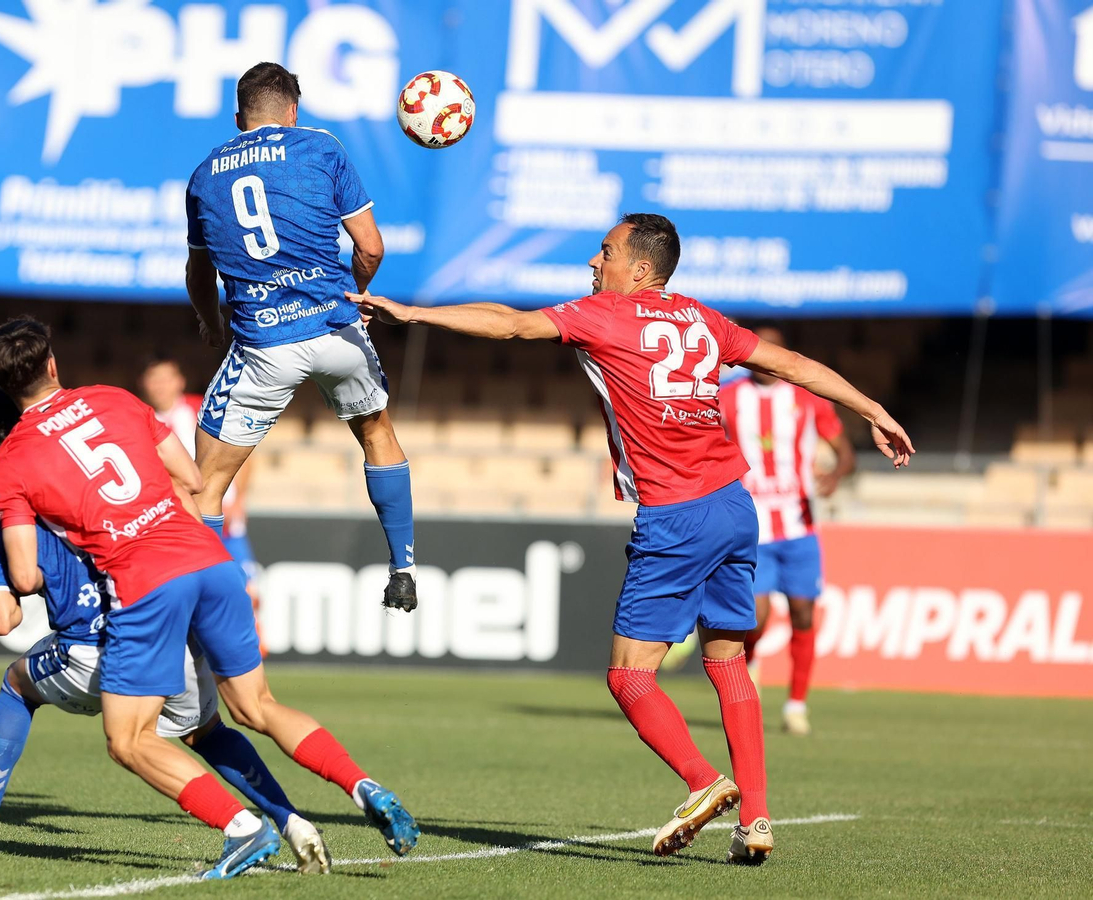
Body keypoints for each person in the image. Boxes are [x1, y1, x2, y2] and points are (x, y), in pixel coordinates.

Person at [355, 213, 912, 866]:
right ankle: (756, 819)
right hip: (735, 505)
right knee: (728, 659)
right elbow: (788, 363)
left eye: (607, 252)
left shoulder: (604, 315)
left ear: (640, 270)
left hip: (676, 515)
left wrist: (413, 314)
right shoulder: (704, 320)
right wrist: (873, 410)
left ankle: (704, 781)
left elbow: (509, 322)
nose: (595, 263)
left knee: (629, 678)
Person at [0, 316, 418, 880]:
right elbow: (190, 477)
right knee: (257, 706)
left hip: (146, 583)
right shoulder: (114, 400)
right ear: (51, 365)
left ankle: (242, 827)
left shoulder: (13, 461)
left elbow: (21, 574)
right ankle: (363, 785)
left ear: (2, 385)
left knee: (128, 739)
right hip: (211, 558)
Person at [0, 388, 329, 872]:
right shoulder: (91, 467)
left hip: (95, 651)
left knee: (17, 685)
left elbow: (4, 618)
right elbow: (181, 488)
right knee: (206, 730)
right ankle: (292, 821)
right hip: (167, 625)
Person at [184, 62, 417, 612]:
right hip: (336, 328)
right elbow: (371, 248)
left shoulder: (203, 174)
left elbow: (199, 273)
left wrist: (212, 323)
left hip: (264, 345)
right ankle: (403, 567)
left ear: (239, 118)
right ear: (293, 112)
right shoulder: (321, 147)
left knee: (207, 483)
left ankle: (210, 601)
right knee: (377, 431)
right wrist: (358, 298)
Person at [719, 325, 856, 736]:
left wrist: (837, 475)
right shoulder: (727, 397)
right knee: (755, 619)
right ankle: (752, 662)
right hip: (752, 529)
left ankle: (796, 705)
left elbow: (845, 452)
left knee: (802, 614)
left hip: (800, 529)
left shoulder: (807, 398)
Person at [139, 356, 264, 654]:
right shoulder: (140, 420)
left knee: (246, 590)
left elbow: (245, 452)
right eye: (154, 380)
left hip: (223, 520)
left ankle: (248, 652)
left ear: (179, 381)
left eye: (166, 378)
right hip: (176, 524)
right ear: (144, 384)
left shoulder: (202, 409)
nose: (160, 386)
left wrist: (239, 499)